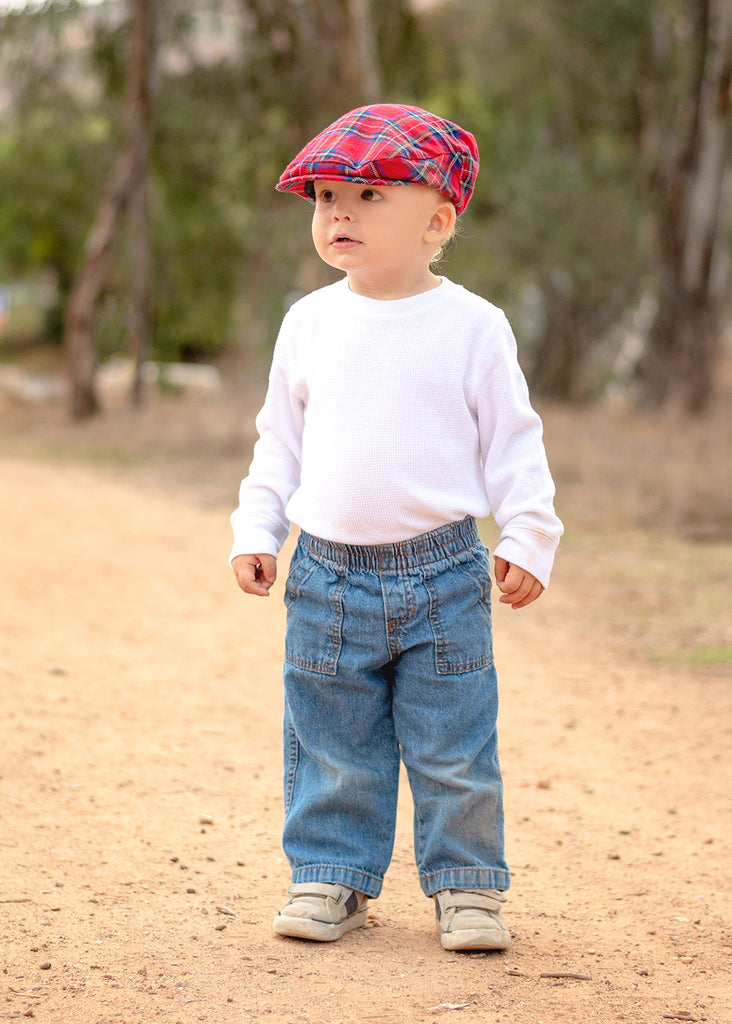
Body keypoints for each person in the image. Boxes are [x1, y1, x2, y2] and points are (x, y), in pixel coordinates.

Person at [230, 104, 563, 952]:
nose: (339, 212)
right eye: (326, 196)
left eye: (370, 193)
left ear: (439, 219)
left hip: (444, 574)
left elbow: (513, 443)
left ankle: (467, 889)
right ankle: (330, 878)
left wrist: (527, 536)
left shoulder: (473, 327)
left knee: (453, 745)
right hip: (324, 576)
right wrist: (256, 527)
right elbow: (280, 441)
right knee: (332, 740)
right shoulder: (308, 322)